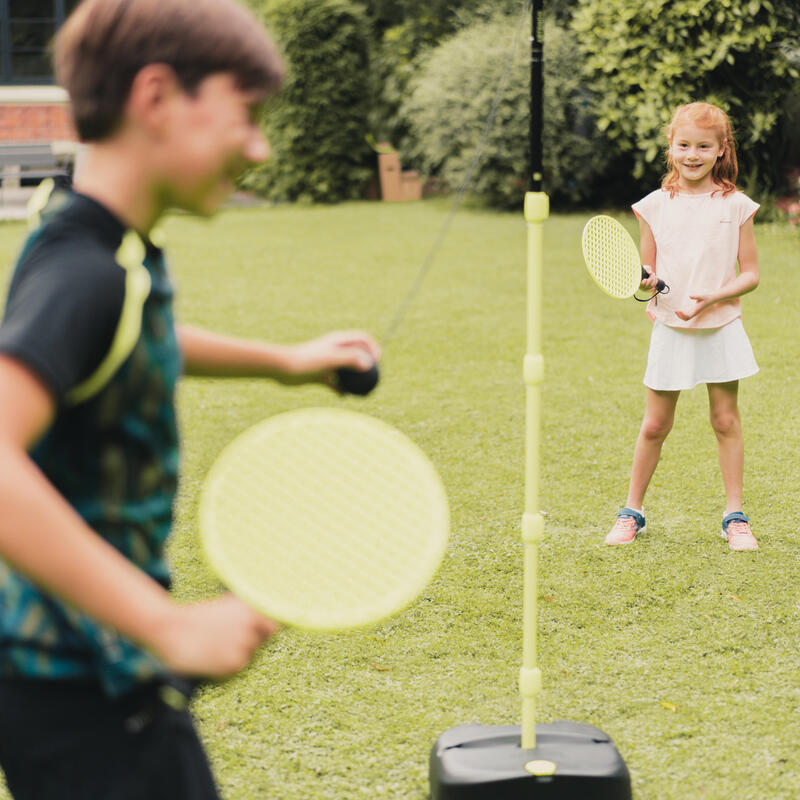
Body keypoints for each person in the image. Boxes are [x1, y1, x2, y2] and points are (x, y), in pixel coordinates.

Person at [0, 0, 380, 798]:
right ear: (157, 97)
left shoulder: (104, 242)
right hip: (78, 683)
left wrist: (287, 363)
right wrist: (166, 625)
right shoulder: (88, 272)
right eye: (246, 114)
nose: (260, 146)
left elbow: (135, 335)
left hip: (88, 670)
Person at [605, 101, 760, 551]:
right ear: (670, 147)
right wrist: (647, 282)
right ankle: (631, 511)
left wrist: (716, 296)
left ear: (721, 150)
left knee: (725, 419)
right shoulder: (653, 206)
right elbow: (647, 270)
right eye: (684, 144)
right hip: (671, 327)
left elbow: (750, 273)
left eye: (703, 146)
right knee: (654, 425)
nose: (692, 154)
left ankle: (735, 517)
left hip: (721, 325)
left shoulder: (736, 205)